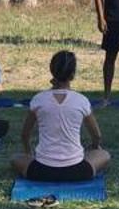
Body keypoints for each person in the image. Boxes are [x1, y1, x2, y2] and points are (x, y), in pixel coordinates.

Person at [11, 51, 110, 182]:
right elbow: (97, 135)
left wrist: (28, 152)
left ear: (52, 70)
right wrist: (95, 147)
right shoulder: (81, 100)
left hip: (41, 171)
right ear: (73, 75)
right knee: (104, 154)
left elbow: (25, 135)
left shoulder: (38, 100)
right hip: (77, 171)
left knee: (15, 158)